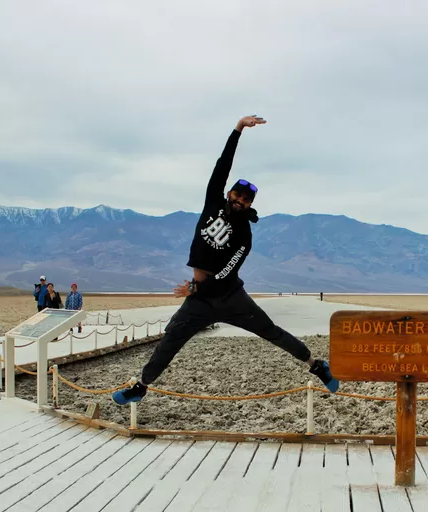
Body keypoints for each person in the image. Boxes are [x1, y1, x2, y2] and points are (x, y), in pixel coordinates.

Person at [113, 115, 339, 406]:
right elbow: (222, 165)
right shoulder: (212, 202)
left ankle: (316, 365)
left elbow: (225, 273)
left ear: (249, 205)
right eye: (237, 194)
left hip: (231, 298)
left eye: (246, 200)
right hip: (199, 302)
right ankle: (140, 387)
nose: (240, 200)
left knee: (271, 332)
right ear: (229, 193)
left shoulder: (244, 235)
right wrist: (238, 130)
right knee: (170, 339)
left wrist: (195, 289)